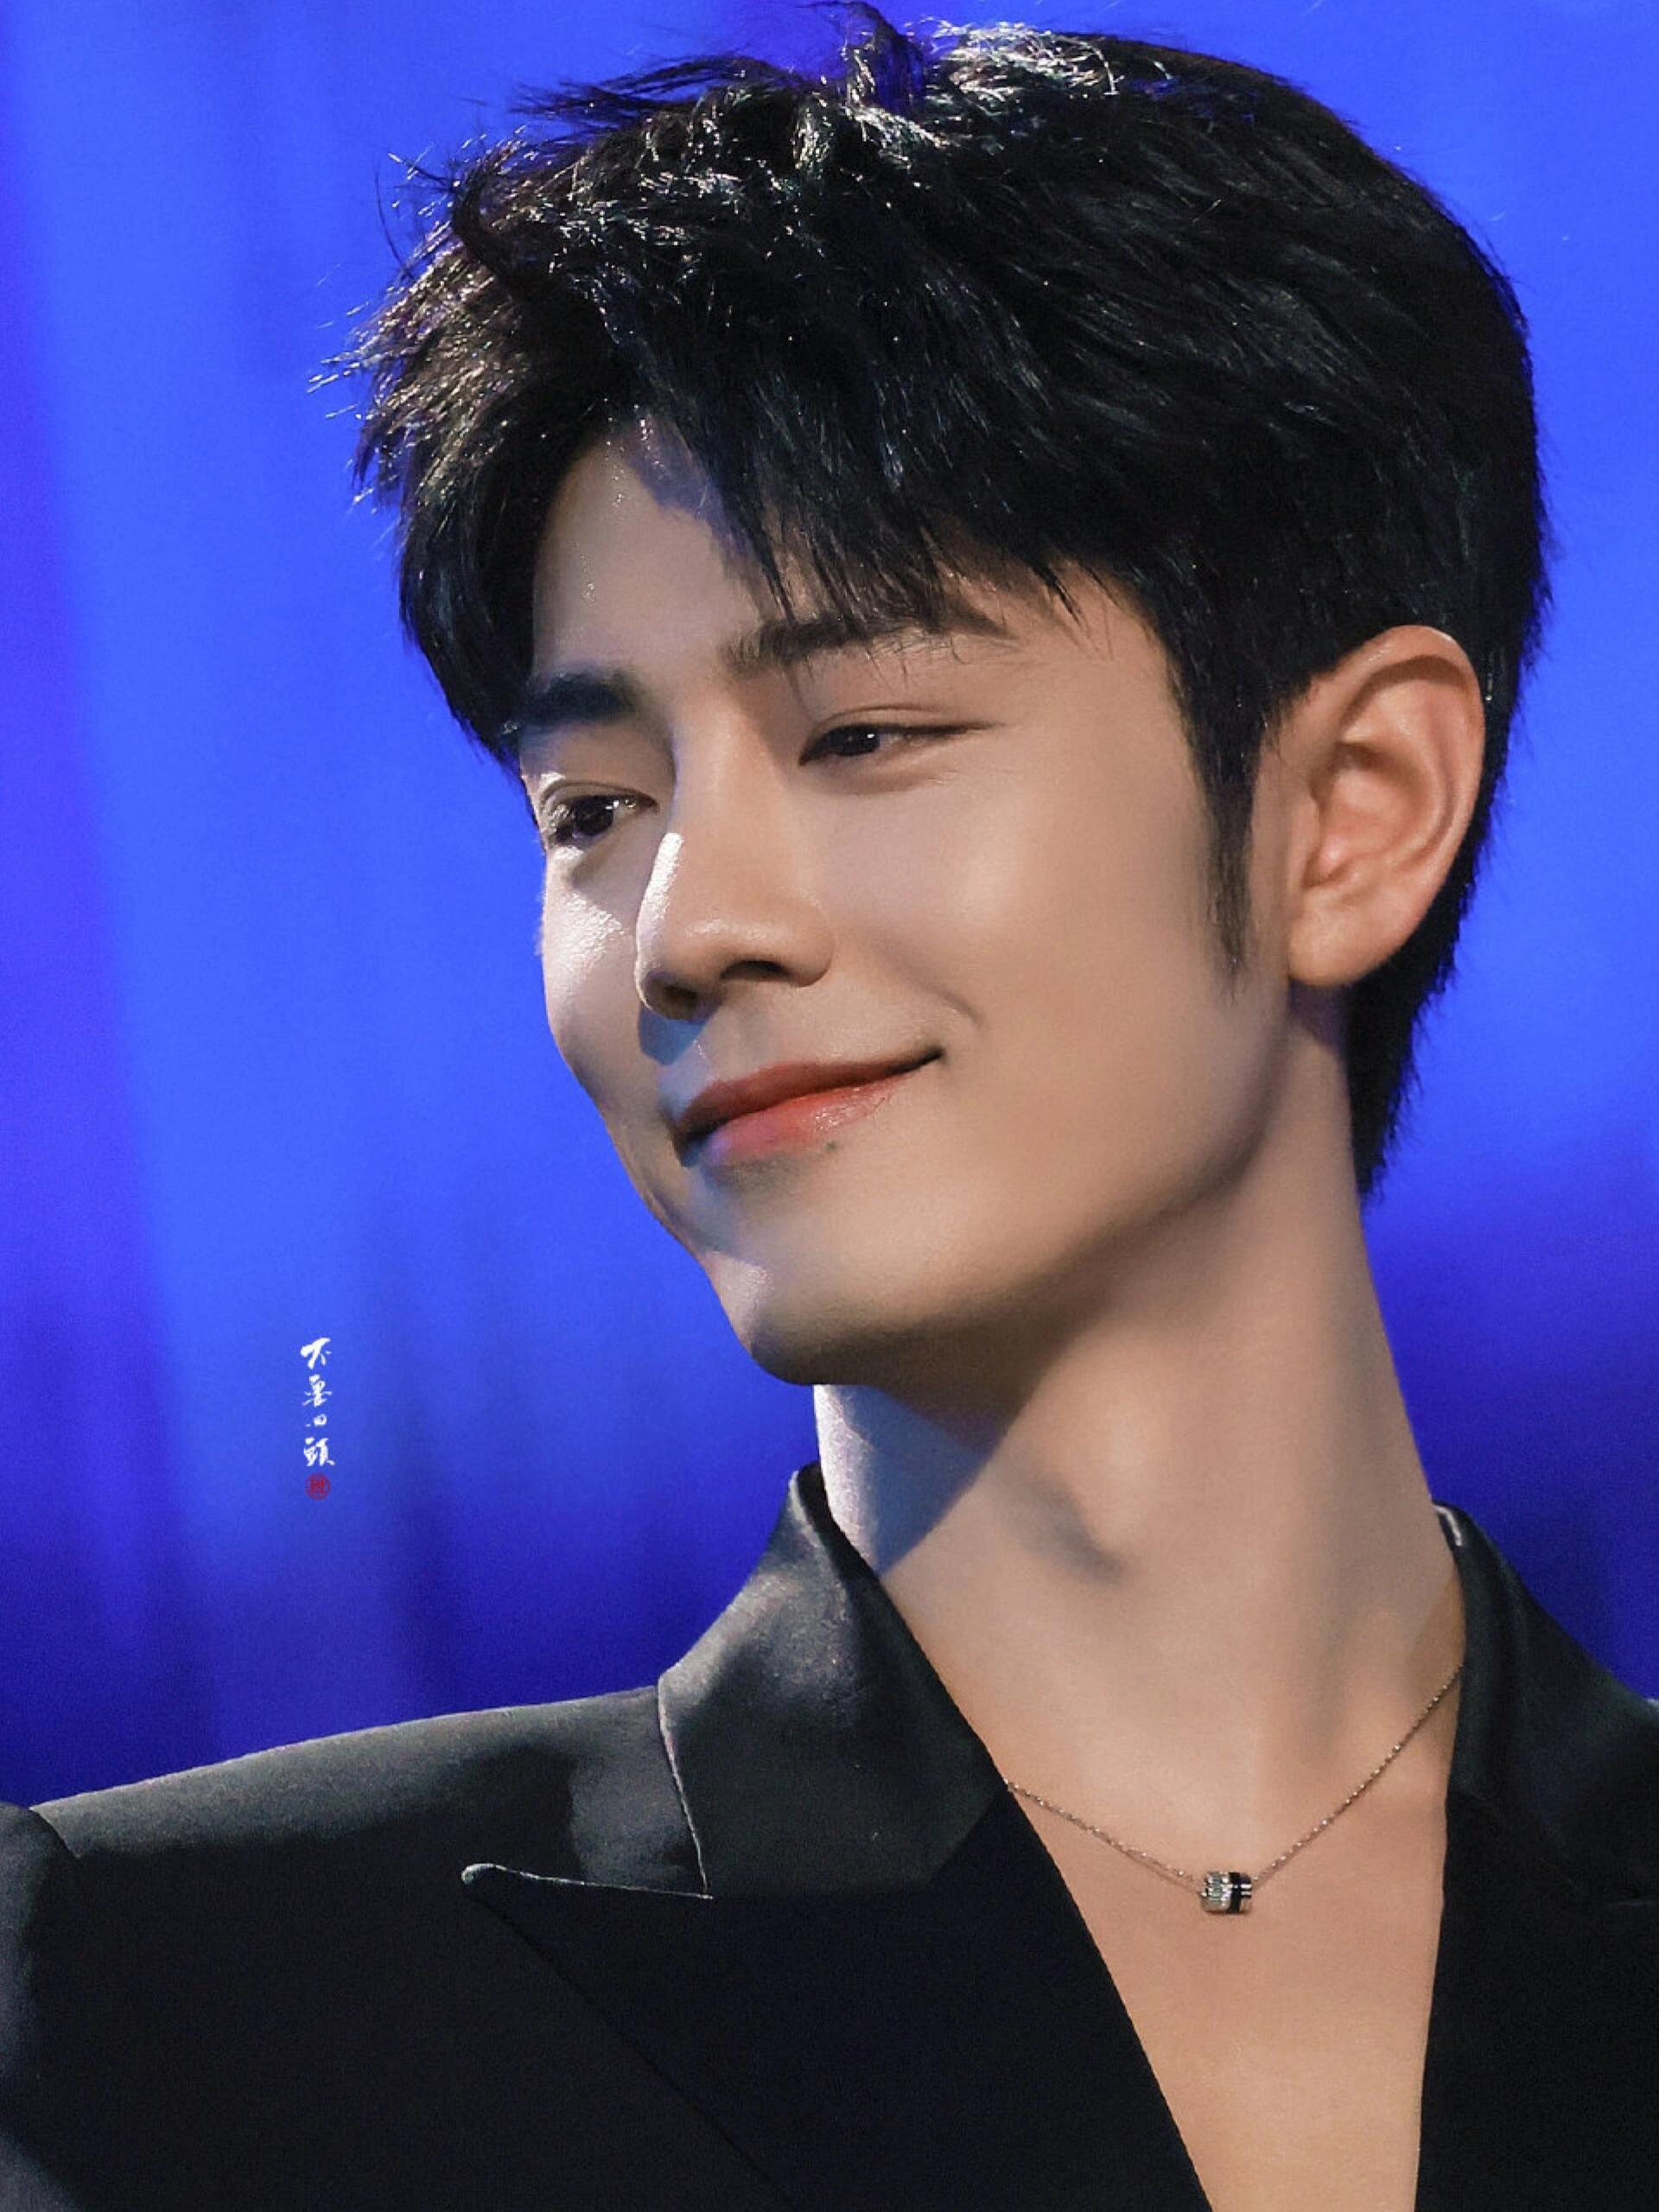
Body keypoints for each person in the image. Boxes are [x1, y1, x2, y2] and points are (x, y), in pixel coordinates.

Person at [3, 10, 1656, 2208]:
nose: (689, 927)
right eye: (594, 806)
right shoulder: (200, 2008)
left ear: (1355, 808)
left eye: (863, 733)